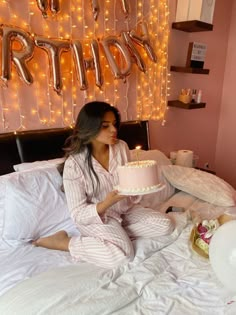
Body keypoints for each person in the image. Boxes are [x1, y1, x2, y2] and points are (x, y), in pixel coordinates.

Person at [33, 101, 175, 268]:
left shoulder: (121, 147)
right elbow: (78, 214)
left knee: (166, 225)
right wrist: (107, 203)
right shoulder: (74, 165)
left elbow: (129, 184)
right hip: (98, 218)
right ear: (89, 127)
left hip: (125, 210)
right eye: (105, 126)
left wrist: (138, 186)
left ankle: (117, 235)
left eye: (114, 124)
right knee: (122, 256)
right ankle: (65, 242)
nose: (114, 130)